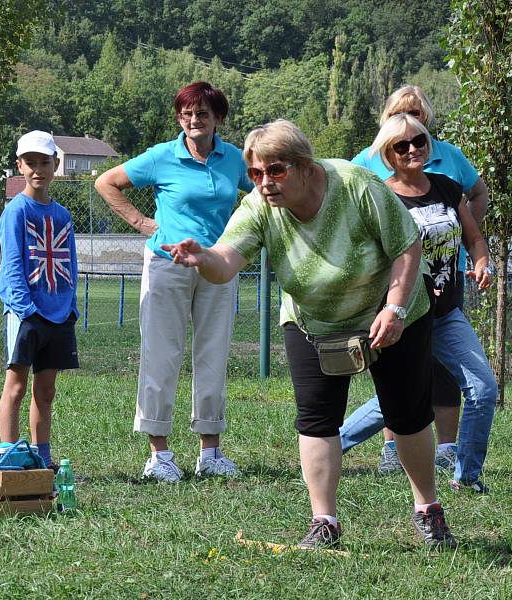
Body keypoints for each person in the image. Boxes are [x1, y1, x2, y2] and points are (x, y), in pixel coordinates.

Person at [163, 120, 456, 548]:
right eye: (256, 173)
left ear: (305, 166)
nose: (265, 183)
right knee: (317, 420)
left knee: (406, 414)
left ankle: (428, 510)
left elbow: (406, 245)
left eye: (276, 170)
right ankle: (325, 523)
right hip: (312, 320)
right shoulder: (260, 206)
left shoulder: (356, 184)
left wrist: (394, 308)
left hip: (392, 311)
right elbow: (225, 263)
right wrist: (201, 257)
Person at [94, 81, 253, 482]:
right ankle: (160, 456)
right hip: (167, 265)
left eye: (202, 113)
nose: (193, 120)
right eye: (186, 113)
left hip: (217, 265)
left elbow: (263, 193)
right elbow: (106, 182)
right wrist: (142, 223)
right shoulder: (162, 156)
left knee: (213, 354)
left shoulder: (234, 159)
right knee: (161, 355)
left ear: (218, 117)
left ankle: (210, 453)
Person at [342, 85, 492, 484]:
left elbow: (473, 236)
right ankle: (328, 444)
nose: (412, 148)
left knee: (483, 388)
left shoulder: (446, 184)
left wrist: (481, 263)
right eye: (401, 144)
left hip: (444, 311)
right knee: (401, 395)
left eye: (419, 141)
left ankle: (467, 476)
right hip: (401, 314)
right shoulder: (378, 196)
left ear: (429, 139)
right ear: (386, 153)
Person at [0, 130, 79, 471]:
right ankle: (9, 458)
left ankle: (42, 458)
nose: (37, 170)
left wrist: (69, 306)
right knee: (15, 388)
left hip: (59, 316)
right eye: (30, 163)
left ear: (56, 165)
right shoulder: (15, 211)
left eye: (44, 162)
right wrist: (26, 309)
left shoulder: (62, 215)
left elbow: (70, 263)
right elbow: (12, 264)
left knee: (45, 392)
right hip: (27, 314)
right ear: (19, 166)